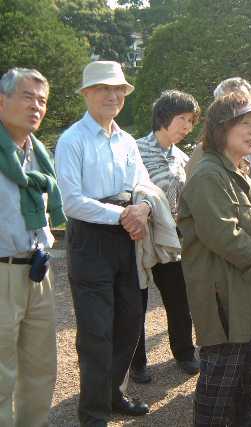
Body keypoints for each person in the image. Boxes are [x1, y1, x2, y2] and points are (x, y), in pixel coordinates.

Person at [178, 93, 251, 426]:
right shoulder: (208, 175)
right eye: (245, 123)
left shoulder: (241, 171)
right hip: (223, 296)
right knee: (221, 383)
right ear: (220, 127)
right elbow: (222, 235)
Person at [55, 61, 152, 424]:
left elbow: (143, 182)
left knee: (130, 321)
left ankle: (112, 393)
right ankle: (93, 412)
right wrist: (124, 215)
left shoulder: (127, 141)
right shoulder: (72, 140)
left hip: (126, 237)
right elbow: (72, 202)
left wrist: (143, 207)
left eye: (118, 90)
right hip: (90, 239)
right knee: (96, 331)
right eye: (103, 89)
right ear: (86, 94)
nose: (112, 95)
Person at [0, 68, 64, 427]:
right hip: (2, 270)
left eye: (42, 100)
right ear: (1, 102)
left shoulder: (39, 155)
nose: (36, 106)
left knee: (41, 368)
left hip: (38, 271)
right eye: (27, 97)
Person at [130, 90, 201, 384]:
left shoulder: (182, 157)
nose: (187, 126)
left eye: (191, 120)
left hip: (171, 238)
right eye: (182, 118)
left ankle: (184, 352)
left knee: (178, 297)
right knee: (136, 300)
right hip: (138, 237)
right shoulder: (134, 149)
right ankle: (136, 362)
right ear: (163, 116)